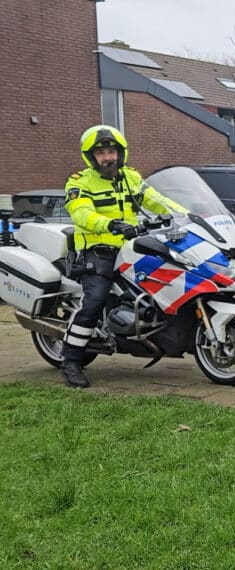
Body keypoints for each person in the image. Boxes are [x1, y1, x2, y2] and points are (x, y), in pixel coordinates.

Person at [59, 125, 185, 388]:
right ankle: (70, 360)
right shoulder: (79, 182)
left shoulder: (131, 177)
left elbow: (156, 200)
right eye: (101, 153)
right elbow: (81, 214)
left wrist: (185, 216)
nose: (108, 157)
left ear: (120, 152)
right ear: (91, 157)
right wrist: (111, 224)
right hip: (98, 250)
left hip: (131, 247)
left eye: (111, 151)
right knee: (94, 300)